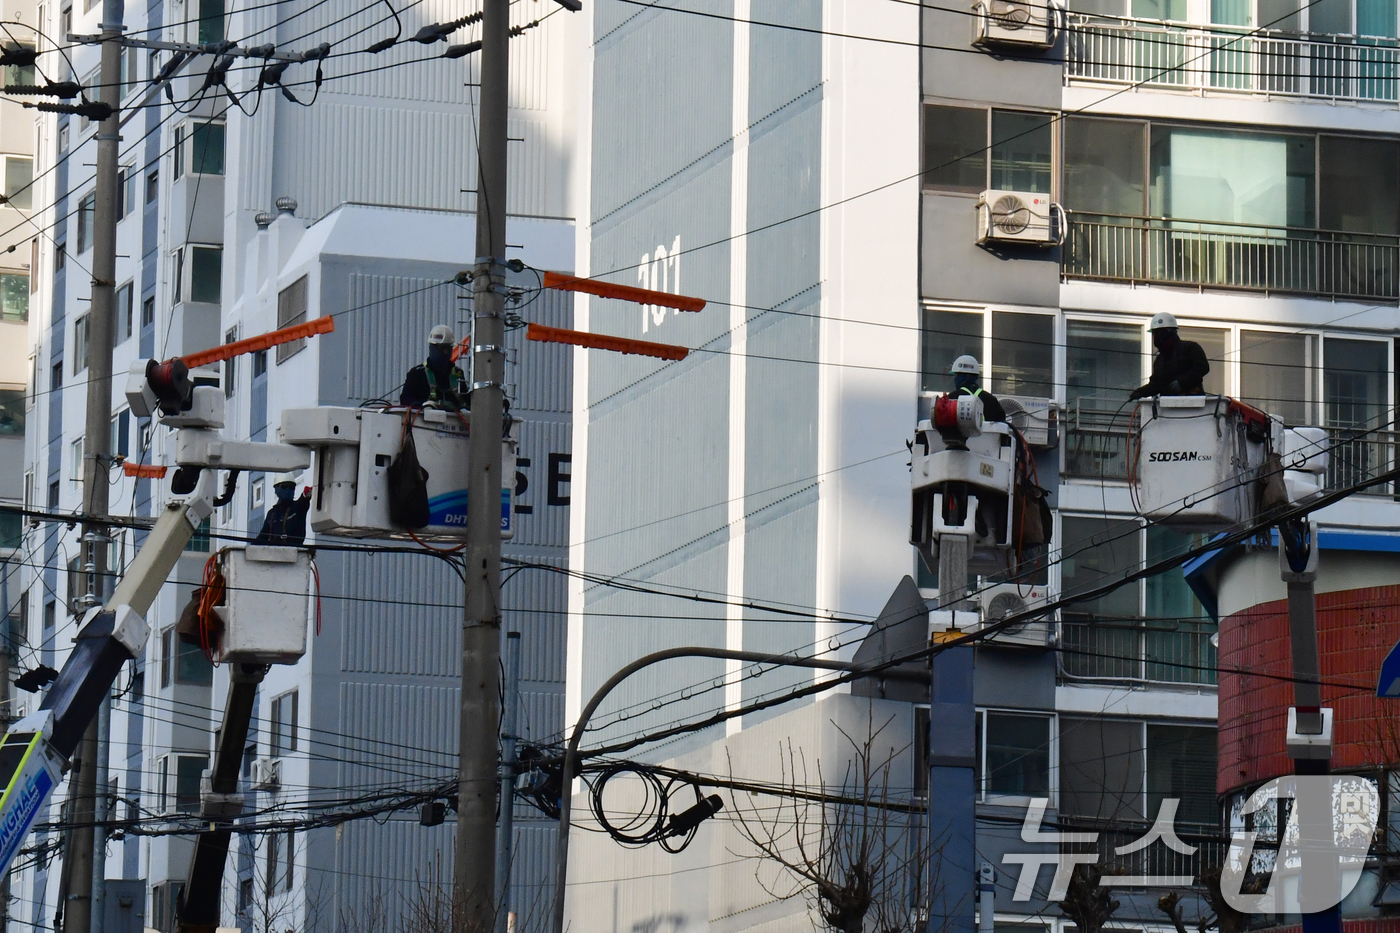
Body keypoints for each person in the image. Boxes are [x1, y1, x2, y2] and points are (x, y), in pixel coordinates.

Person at [1129, 312, 1210, 400]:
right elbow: (1156, 384)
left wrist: (1181, 382)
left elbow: (1202, 367)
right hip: (1168, 408)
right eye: (1154, 334)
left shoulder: (1189, 348)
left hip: (1193, 403)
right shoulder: (1160, 360)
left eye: (1158, 333)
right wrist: (1141, 392)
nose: (1156, 337)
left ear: (1169, 332)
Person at [400, 324, 468, 411]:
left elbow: (468, 402)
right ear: (431, 348)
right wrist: (423, 405)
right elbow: (405, 401)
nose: (446, 352)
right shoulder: (417, 374)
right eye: (442, 348)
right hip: (425, 421)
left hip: (454, 421)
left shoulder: (458, 374)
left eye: (448, 348)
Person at [255, 472, 311, 546]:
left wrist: (306, 495)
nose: (288, 489)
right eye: (284, 486)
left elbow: (303, 502)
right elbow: (262, 537)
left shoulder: (297, 507)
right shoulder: (271, 514)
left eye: (291, 487)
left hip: (293, 552)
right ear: (276, 489)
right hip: (273, 553)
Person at [950, 354, 1007, 423]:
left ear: (960, 377)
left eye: (956, 375)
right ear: (976, 376)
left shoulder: (952, 399)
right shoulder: (992, 400)